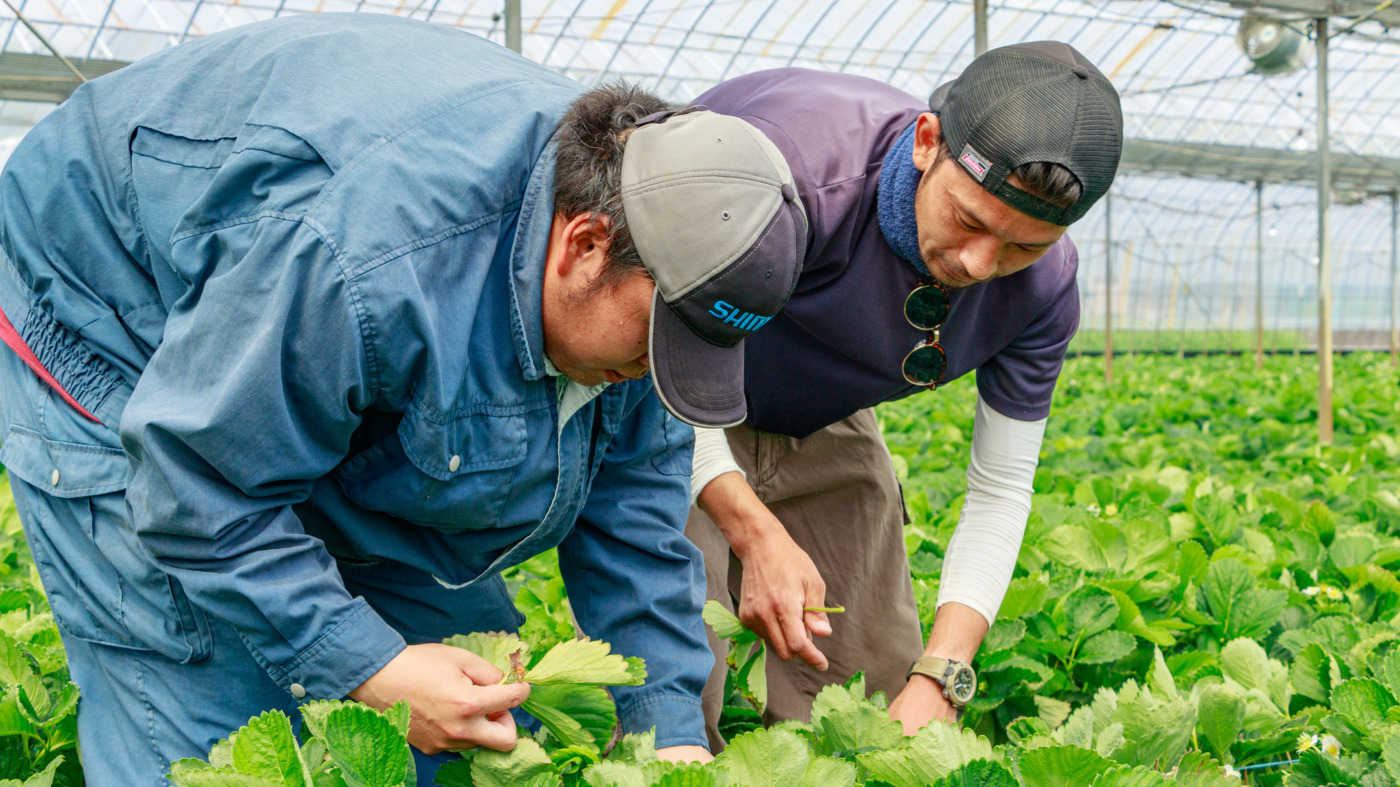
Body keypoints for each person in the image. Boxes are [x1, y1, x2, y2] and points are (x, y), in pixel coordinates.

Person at [0, 13, 807, 782]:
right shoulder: (367, 259)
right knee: (215, 746)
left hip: (289, 326)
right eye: (651, 343)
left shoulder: (656, 267)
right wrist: (370, 665)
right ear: (584, 245)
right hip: (103, 301)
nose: (654, 370)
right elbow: (194, 483)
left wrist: (668, 736)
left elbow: (634, 517)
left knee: (471, 727)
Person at [682, 42, 1124, 748]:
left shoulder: (1042, 292)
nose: (981, 265)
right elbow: (654, 346)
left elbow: (1002, 485)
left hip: (821, 410)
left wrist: (945, 671)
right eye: (969, 221)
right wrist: (754, 532)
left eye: (1024, 247)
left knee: (872, 702)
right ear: (926, 143)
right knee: (666, 679)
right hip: (673, 386)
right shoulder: (795, 177)